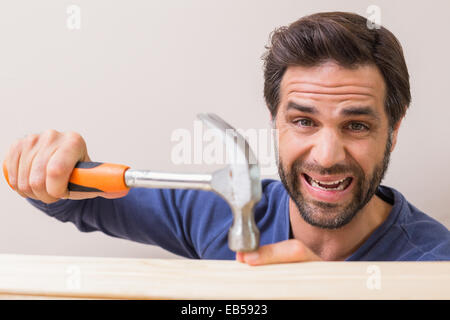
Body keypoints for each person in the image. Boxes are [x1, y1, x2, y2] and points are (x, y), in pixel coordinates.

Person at [3, 12, 449, 264]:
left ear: (394, 129)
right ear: (275, 120)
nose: (327, 155)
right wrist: (48, 165)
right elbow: (67, 200)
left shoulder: (436, 265)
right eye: (303, 122)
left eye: (356, 125)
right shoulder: (216, 211)